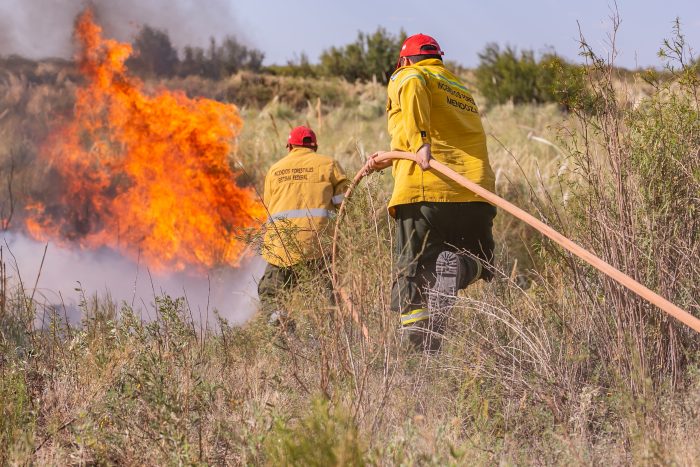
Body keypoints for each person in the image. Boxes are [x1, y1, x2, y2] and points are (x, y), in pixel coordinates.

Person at [367, 33, 497, 351]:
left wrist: (421, 142)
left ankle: (417, 352)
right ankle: (457, 273)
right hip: (474, 192)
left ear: (406, 59)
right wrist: (388, 157)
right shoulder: (459, 88)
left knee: (411, 271)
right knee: (480, 260)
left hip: (425, 191)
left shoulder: (411, 74)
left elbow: (411, 95)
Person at [258, 126, 349, 328]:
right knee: (323, 296)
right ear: (314, 147)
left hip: (281, 247)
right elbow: (345, 204)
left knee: (270, 292)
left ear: (290, 146)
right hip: (318, 246)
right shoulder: (329, 165)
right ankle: (320, 335)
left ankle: (280, 325)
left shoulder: (275, 169)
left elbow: (269, 208)